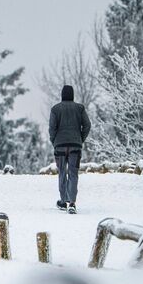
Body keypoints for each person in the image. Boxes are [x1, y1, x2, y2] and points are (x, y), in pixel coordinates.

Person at [48, 85, 91, 214]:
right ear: (72, 94)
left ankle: (63, 201)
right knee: (73, 173)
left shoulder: (55, 109)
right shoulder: (80, 108)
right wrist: (80, 139)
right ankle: (72, 203)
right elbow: (87, 125)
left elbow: (52, 128)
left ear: (62, 95)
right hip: (75, 146)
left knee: (62, 172)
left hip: (60, 146)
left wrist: (55, 141)